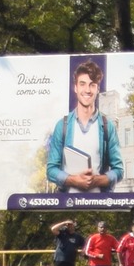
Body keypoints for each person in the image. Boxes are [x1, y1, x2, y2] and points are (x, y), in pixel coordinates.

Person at [45, 59, 122, 193]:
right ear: (75, 87)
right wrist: (73, 179)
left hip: (99, 205)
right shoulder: (62, 125)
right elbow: (51, 170)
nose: (87, 90)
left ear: (98, 89)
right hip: (68, 204)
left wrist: (97, 180)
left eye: (92, 85)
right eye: (82, 84)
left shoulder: (107, 126)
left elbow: (119, 171)